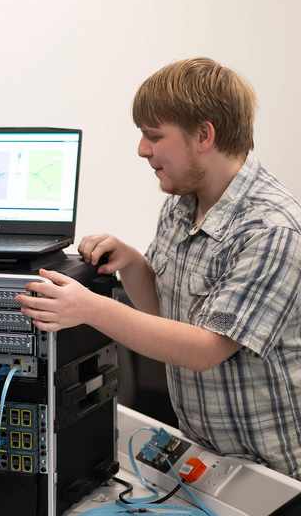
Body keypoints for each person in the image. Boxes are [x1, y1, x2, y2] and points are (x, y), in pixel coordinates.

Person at [16, 58, 301, 478]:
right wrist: (133, 264)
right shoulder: (181, 204)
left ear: (204, 135)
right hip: (207, 458)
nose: (142, 150)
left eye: (153, 136)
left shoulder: (273, 228)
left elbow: (204, 349)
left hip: (274, 475)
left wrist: (89, 308)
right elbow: (165, 318)